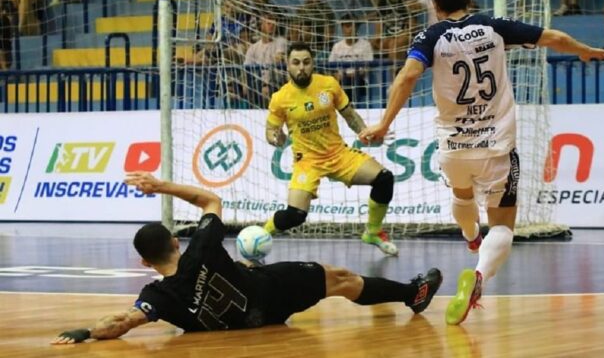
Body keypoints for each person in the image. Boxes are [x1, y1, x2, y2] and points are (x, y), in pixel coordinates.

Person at [358, 0, 604, 325]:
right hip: (496, 148)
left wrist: (384, 123)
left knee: (462, 196)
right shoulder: (494, 26)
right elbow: (552, 37)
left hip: (454, 148)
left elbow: (408, 75)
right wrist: (583, 50)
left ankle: (472, 236)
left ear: (436, 3)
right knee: (505, 226)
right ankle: (478, 275)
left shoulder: (430, 36)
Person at [51, 172, 442, 344]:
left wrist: (85, 332)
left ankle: (411, 293)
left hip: (245, 322)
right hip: (271, 295)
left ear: (143, 262)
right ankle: (413, 293)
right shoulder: (201, 247)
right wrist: (160, 186)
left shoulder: (158, 295)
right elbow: (210, 200)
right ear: (174, 241)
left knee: (261, 272)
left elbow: (123, 322)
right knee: (337, 277)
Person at [263, 41, 399, 257]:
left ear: (313, 63)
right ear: (287, 66)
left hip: (338, 154)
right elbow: (271, 132)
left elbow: (349, 114)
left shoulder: (328, 84)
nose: (301, 68)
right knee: (295, 215)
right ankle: (261, 235)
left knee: (384, 179)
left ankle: (373, 232)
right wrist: (277, 138)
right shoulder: (280, 98)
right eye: (296, 63)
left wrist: (365, 132)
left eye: (306, 62)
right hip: (307, 162)